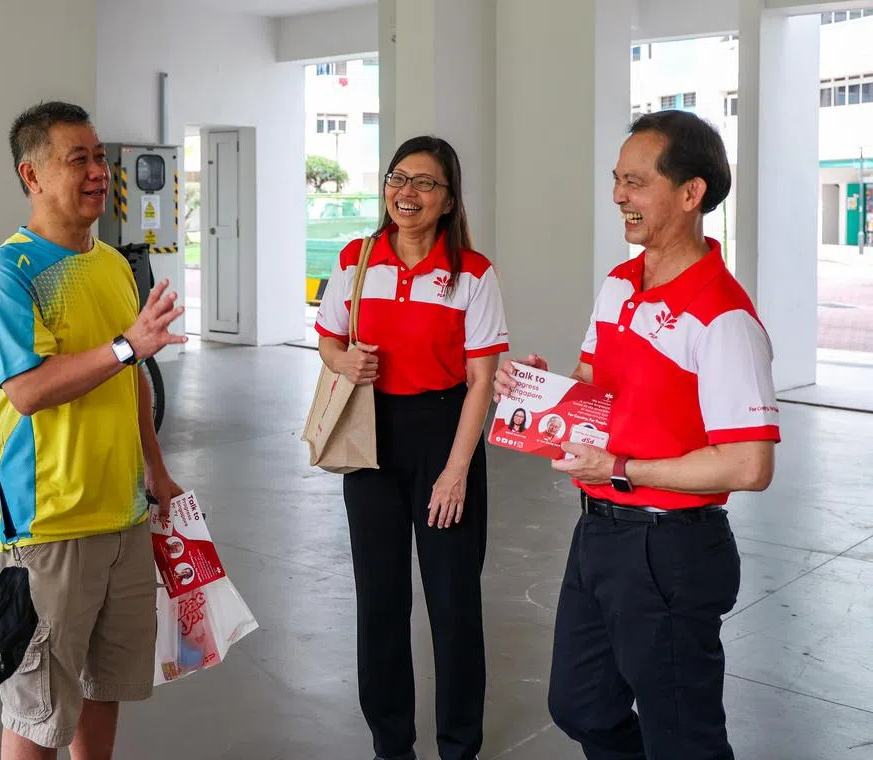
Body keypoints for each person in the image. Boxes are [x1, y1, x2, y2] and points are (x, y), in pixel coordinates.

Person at [494, 110, 780, 760]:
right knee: (580, 707)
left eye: (635, 182)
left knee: (683, 741)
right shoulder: (620, 284)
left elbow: (748, 464)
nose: (619, 196)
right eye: (617, 180)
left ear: (690, 192)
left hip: (671, 550)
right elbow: (592, 384)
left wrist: (624, 467)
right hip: (598, 530)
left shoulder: (723, 317)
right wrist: (544, 393)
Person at [0, 101, 186, 760]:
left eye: (99, 158)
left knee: (105, 688)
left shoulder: (111, 265)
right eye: (80, 160)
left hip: (121, 515)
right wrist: (127, 346)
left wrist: (156, 471)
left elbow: (129, 384)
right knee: (39, 711)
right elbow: (30, 389)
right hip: (50, 523)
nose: (98, 172)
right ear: (32, 175)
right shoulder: (10, 273)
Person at [315, 135, 509, 760]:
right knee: (380, 601)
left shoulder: (472, 274)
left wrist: (456, 472)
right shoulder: (356, 256)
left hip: (445, 435)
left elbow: (482, 378)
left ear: (449, 199)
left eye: (426, 183)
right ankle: (390, 744)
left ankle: (458, 745)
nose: (408, 193)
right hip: (370, 435)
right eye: (399, 178)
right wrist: (343, 357)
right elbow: (327, 340)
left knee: (453, 605)